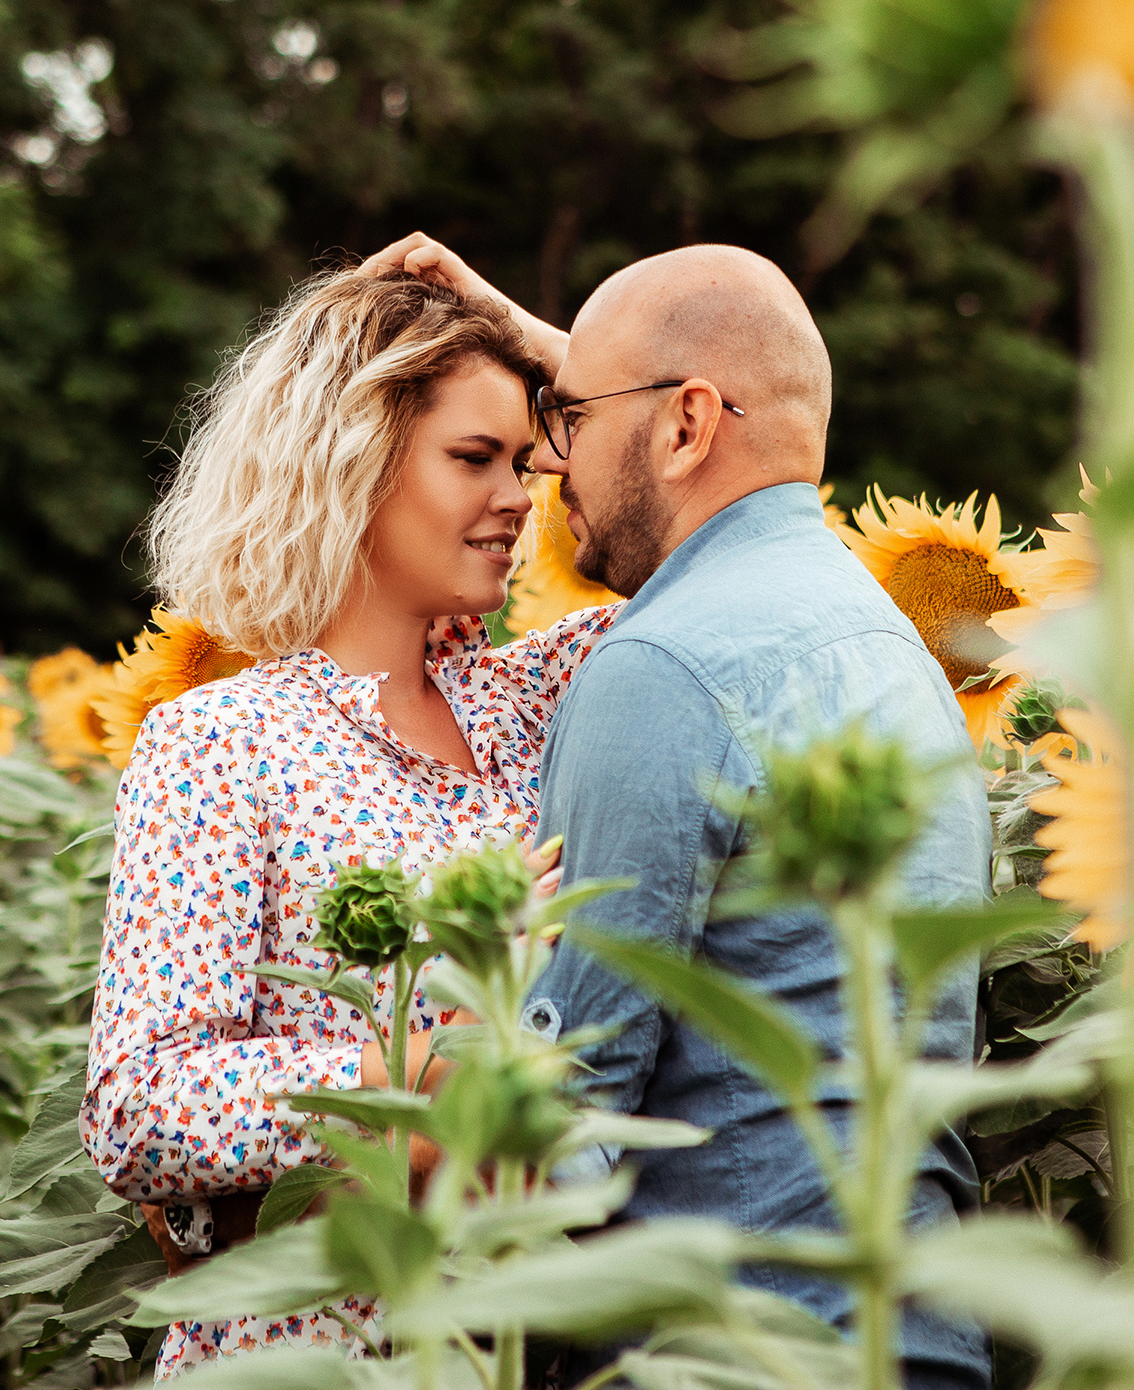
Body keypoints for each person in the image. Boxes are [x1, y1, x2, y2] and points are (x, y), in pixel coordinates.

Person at [384, 236, 993, 1390]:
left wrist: (337, 1139)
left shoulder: (662, 666)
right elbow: (748, 394)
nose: (548, 467)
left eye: (566, 419)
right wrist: (600, 367)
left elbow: (558, 1118)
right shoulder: (884, 643)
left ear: (687, 426)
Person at [80, 265, 615, 1377]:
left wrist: (554, 351)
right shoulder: (221, 743)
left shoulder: (537, 700)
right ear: (352, 461)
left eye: (524, 459)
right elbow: (136, 1102)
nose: (523, 496)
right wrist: (425, 1068)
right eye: (475, 458)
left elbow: (748, 524)